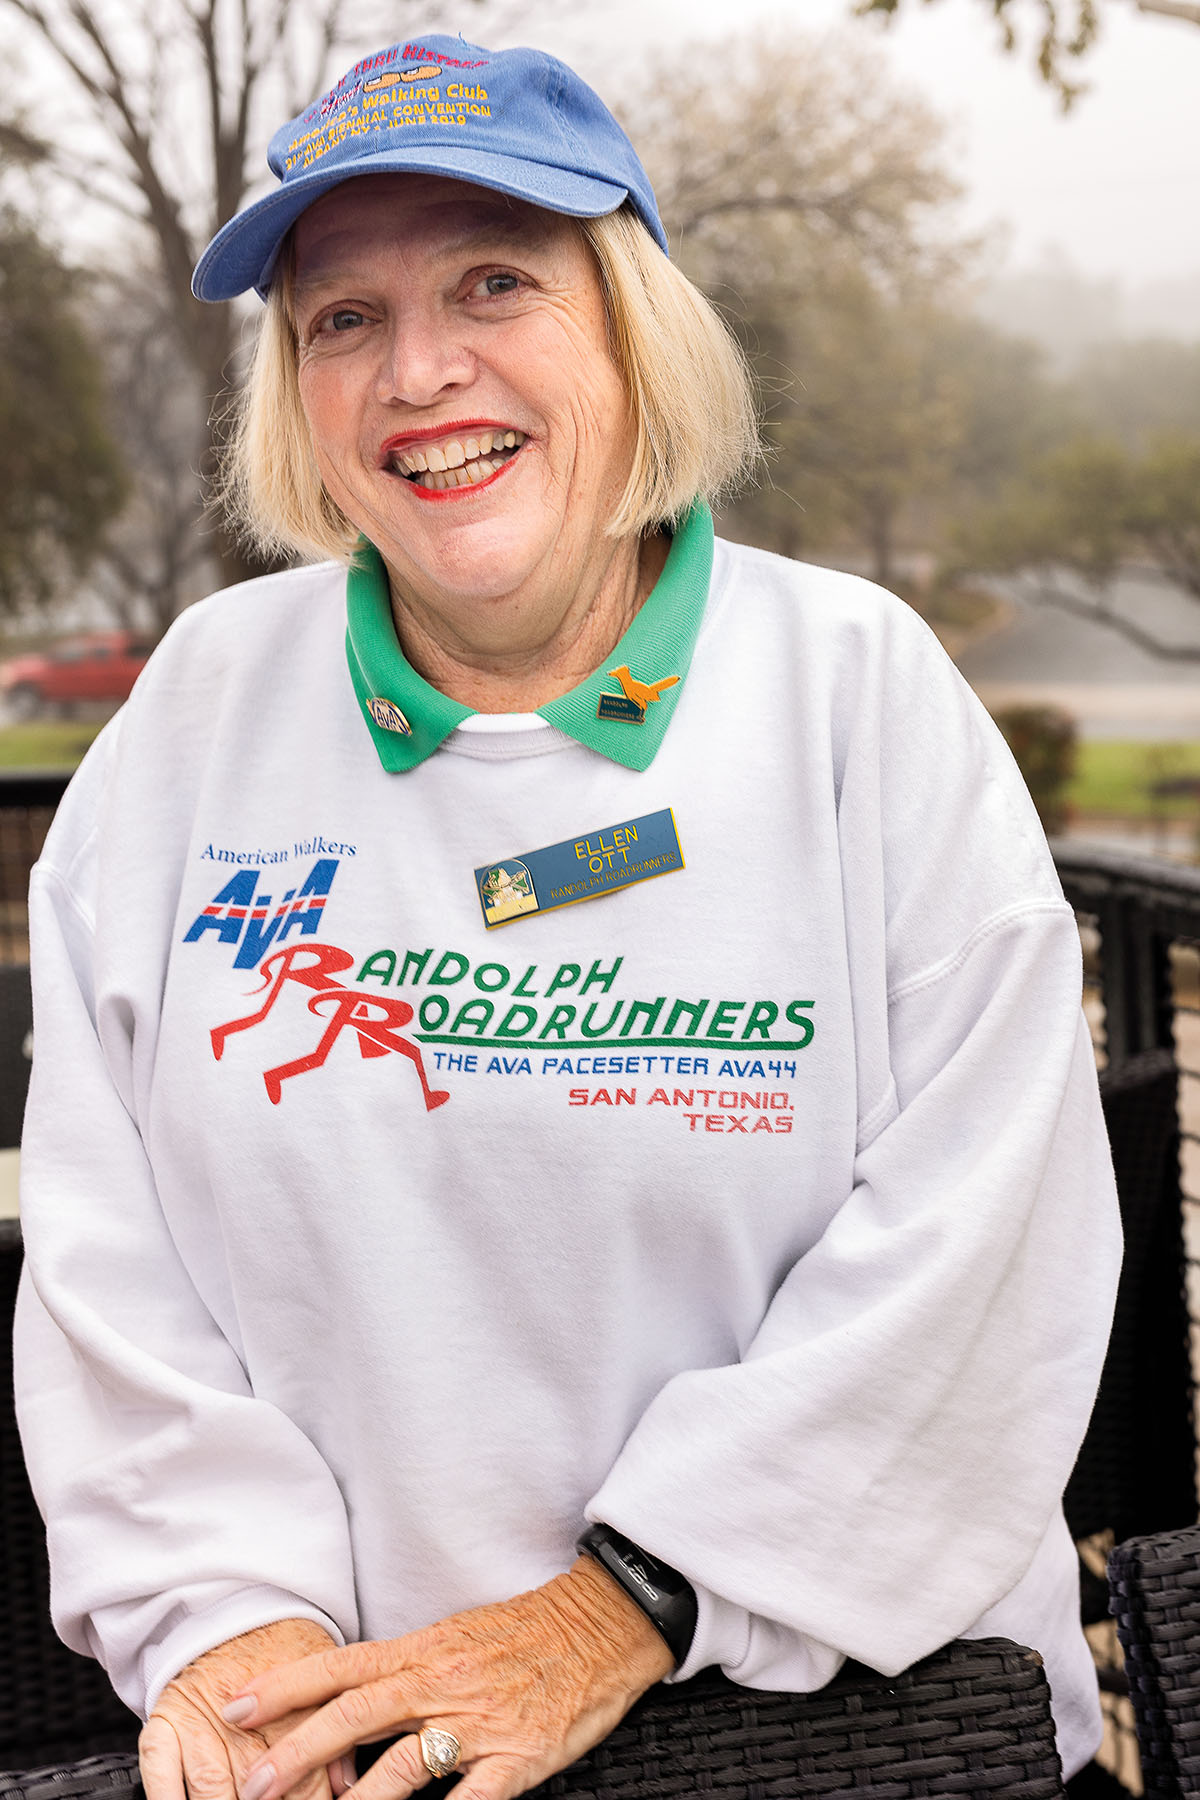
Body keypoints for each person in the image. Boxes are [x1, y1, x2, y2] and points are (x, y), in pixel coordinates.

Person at [15, 30, 1121, 1800]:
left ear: (632, 323)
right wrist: (229, 1619)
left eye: (494, 281)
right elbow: (104, 1246)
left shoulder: (853, 693)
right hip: (370, 1753)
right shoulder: (205, 709)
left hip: (862, 1741)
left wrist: (625, 1605)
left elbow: (992, 1247)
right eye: (341, 320)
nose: (419, 370)